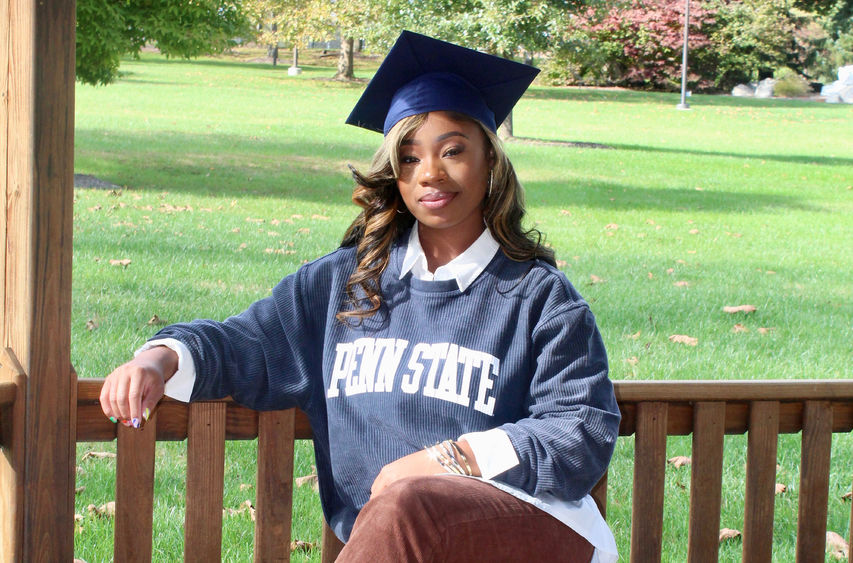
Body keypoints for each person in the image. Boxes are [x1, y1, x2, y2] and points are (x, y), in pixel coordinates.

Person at [100, 31, 621, 563]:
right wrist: (160, 358)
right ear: (394, 173)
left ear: (491, 159)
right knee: (403, 510)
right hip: (394, 544)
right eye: (411, 157)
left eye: (454, 150)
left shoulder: (538, 297)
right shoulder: (341, 286)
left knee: (408, 505)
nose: (431, 174)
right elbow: (248, 344)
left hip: (528, 526)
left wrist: (447, 461)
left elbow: (581, 428)